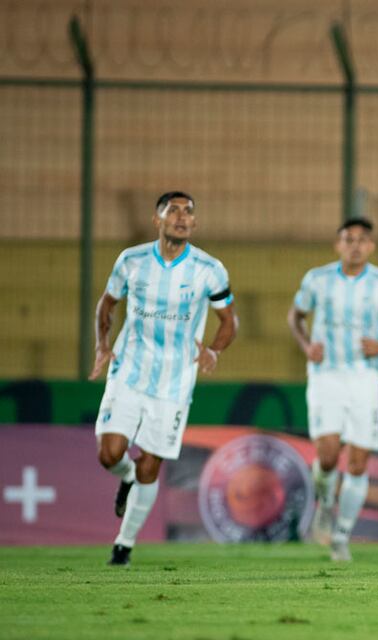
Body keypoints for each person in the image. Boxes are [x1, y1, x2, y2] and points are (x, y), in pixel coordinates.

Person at [89, 191, 238, 566]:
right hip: (129, 370)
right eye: (174, 211)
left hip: (174, 382)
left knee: (150, 467)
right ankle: (125, 478)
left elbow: (229, 320)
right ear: (157, 220)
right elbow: (107, 304)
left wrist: (214, 351)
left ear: (195, 223)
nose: (182, 217)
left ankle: (123, 546)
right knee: (110, 455)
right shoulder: (132, 260)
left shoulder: (209, 269)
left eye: (189, 211)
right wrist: (101, 346)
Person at [288, 217, 378, 562]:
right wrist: (304, 344)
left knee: (358, 462)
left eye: (361, 240)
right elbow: (295, 317)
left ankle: (341, 536)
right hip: (325, 374)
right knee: (327, 455)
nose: (355, 245)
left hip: (364, 377)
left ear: (370, 246)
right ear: (338, 244)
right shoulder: (317, 279)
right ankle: (325, 503)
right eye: (348, 239)